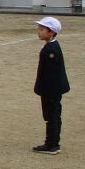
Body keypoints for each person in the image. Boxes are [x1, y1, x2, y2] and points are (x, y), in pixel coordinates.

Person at [32, 16, 70, 155]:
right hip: (51, 89)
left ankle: (52, 145)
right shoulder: (50, 46)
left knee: (52, 116)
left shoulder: (51, 50)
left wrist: (44, 90)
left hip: (51, 90)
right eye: (39, 29)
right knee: (52, 116)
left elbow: (51, 74)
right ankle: (52, 142)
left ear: (51, 32)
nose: (39, 32)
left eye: (42, 29)